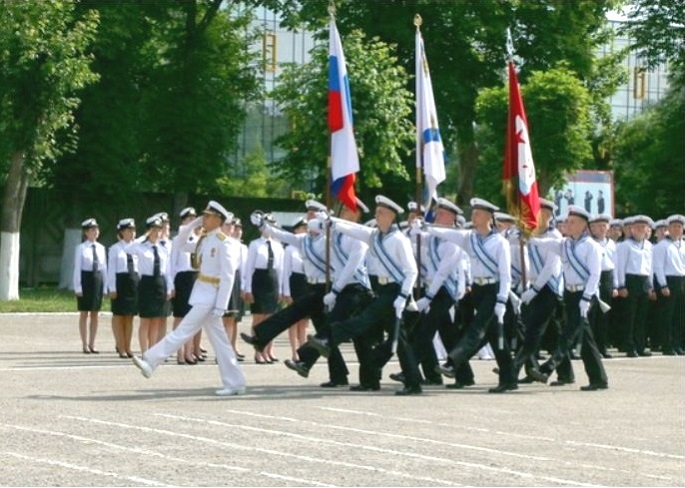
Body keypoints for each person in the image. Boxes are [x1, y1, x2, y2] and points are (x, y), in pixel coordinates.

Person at [307, 195, 422, 395]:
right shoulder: (374, 236)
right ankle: (398, 381)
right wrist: (332, 222)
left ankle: (329, 336)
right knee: (398, 340)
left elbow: (412, 271)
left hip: (395, 290)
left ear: (391, 216)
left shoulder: (399, 240)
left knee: (363, 320)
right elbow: (354, 229)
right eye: (376, 212)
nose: (376, 216)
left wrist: (403, 296)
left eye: (381, 213)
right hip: (381, 289)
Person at [132, 201, 247, 396]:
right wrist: (191, 226)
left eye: (208, 216)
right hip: (203, 292)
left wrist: (221, 305)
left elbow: (227, 276)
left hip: (211, 296)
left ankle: (151, 361)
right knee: (220, 341)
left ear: (218, 219)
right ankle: (236, 382)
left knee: (184, 330)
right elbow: (179, 245)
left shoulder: (223, 242)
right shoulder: (205, 239)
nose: (204, 219)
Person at [241, 199, 353, 388]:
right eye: (308, 213)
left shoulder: (329, 240)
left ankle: (262, 338)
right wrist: (263, 225)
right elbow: (282, 235)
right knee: (323, 337)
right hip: (312, 288)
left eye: (313, 214)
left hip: (326, 289)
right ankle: (336, 373)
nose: (309, 217)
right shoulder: (304, 239)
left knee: (294, 314)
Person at [419, 198, 517, 393]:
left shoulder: (500, 243)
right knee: (494, 335)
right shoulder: (469, 238)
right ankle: (509, 378)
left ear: (489, 217)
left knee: (476, 328)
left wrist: (502, 300)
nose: (474, 216)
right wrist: (425, 227)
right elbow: (447, 233)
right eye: (473, 213)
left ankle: (451, 363)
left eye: (478, 213)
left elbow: (506, 275)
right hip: (479, 291)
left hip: (493, 289)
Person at [531, 206, 609, 391]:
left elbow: (595, 275)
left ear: (583, 225)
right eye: (567, 221)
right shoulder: (565, 244)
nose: (567, 224)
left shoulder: (591, 246)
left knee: (569, 333)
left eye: (572, 222)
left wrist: (587, 298)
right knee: (585, 338)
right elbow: (543, 244)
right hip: (570, 294)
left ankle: (547, 368)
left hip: (585, 295)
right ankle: (599, 378)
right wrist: (527, 237)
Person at [410, 198, 470, 388]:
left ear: (452, 217)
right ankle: (464, 375)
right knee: (448, 334)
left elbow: (443, 272)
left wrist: (428, 297)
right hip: (435, 289)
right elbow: (414, 239)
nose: (437, 216)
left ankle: (409, 370)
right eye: (437, 212)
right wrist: (416, 228)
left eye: (442, 214)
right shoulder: (435, 237)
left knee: (425, 330)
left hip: (446, 291)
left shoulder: (455, 239)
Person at [513, 198, 564, 381]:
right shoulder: (532, 234)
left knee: (534, 330)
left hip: (549, 289)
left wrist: (533, 290)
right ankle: (563, 373)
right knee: (552, 333)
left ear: (548, 215)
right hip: (534, 288)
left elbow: (549, 268)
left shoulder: (554, 236)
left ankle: (513, 369)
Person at [126, 215, 174, 353]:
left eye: (159, 230)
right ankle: (144, 351)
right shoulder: (141, 247)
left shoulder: (162, 249)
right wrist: (144, 236)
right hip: (146, 285)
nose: (157, 233)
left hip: (159, 284)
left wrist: (169, 288)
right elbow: (128, 249)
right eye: (153, 229)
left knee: (156, 321)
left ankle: (152, 350)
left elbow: (167, 271)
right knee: (146, 320)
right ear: (148, 231)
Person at [243, 215, 284, 363]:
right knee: (258, 318)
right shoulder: (255, 244)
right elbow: (249, 268)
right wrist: (248, 288)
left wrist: (281, 290)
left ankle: (267, 350)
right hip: (259, 280)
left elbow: (281, 269)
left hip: (272, 281)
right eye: (267, 225)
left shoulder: (278, 246)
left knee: (270, 318)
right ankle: (258, 351)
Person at [615, 215, 655, 357]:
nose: (640, 230)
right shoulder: (626, 245)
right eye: (637, 227)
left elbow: (650, 267)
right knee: (630, 315)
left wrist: (651, 286)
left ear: (647, 230)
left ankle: (640, 345)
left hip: (644, 281)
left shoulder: (649, 246)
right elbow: (620, 266)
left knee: (641, 316)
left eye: (643, 227)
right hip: (630, 280)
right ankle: (629, 345)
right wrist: (621, 285)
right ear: (632, 229)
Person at [170, 207, 201, 364]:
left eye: (193, 219)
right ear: (182, 221)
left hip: (195, 278)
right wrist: (171, 285)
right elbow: (172, 265)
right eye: (188, 219)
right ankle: (179, 352)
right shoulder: (177, 240)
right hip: (182, 279)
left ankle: (189, 352)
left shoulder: (198, 240)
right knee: (180, 317)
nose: (191, 222)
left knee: (192, 318)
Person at [652, 214, 685, 355]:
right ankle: (667, 344)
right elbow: (658, 266)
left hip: (682, 280)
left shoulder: (683, 244)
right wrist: (663, 285)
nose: (677, 229)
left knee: (680, 315)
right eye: (674, 226)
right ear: (668, 228)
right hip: (669, 280)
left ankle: (678, 344)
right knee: (667, 315)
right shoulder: (662, 246)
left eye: (680, 227)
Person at [73, 218, 107, 354]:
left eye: (96, 229)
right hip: (86, 280)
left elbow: (104, 268)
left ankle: (93, 343)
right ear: (86, 233)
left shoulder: (101, 248)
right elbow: (77, 268)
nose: (95, 232)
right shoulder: (81, 248)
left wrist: (105, 287)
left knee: (95, 313)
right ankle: (84, 344)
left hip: (97, 280)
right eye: (92, 230)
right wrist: (78, 287)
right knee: (84, 313)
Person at [107, 218, 139, 358]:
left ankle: (128, 346)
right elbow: (111, 270)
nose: (131, 233)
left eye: (133, 230)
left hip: (133, 284)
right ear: (122, 232)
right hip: (121, 283)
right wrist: (112, 288)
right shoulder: (115, 249)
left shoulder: (138, 248)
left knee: (130, 317)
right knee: (119, 316)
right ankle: (120, 346)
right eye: (128, 230)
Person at [588, 214, 617, 359]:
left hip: (607, 277)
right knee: (592, 315)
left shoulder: (611, 243)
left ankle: (602, 346)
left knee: (604, 315)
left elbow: (615, 265)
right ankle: (591, 349)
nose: (600, 229)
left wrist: (616, 285)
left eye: (603, 226)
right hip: (593, 277)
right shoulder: (589, 242)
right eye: (597, 226)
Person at [281, 217, 310, 361]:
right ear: (296, 230)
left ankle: (303, 350)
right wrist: (286, 292)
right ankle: (294, 351)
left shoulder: (308, 246)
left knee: (304, 322)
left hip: (306, 284)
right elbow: (286, 272)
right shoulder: (290, 249)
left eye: (306, 228)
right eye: (302, 228)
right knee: (293, 321)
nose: (305, 231)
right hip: (295, 283)